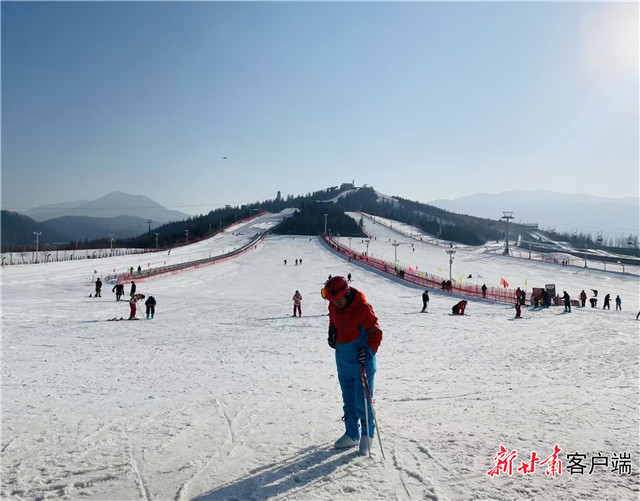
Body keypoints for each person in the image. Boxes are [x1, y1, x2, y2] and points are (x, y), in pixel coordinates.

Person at [322, 276, 382, 455]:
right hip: (343, 362)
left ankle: (367, 435)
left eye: (338, 299)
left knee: (362, 401)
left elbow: (376, 333)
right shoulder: (333, 305)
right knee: (348, 400)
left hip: (361, 363)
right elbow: (333, 321)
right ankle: (352, 434)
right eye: (333, 300)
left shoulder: (363, 308)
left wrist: (369, 350)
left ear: (347, 293)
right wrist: (332, 333)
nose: (336, 303)